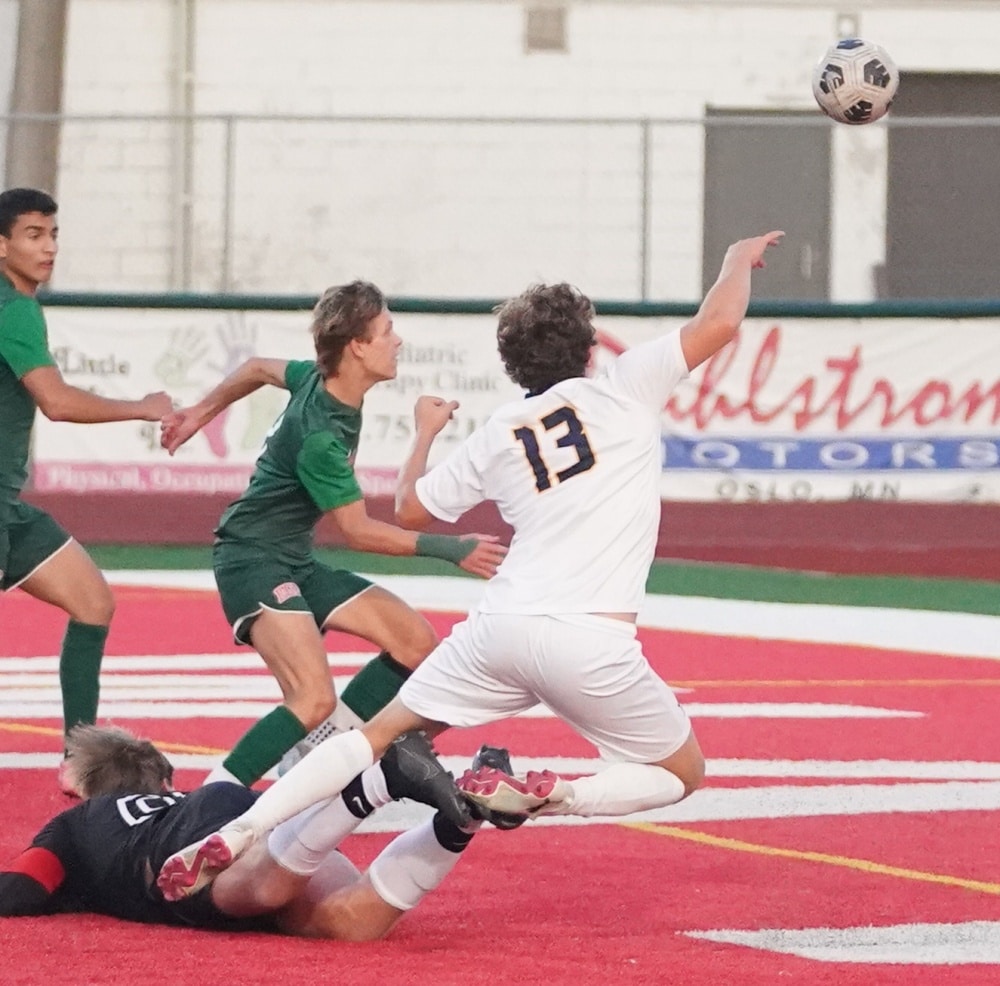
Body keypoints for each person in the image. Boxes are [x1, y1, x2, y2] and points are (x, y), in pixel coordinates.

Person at [156, 230, 784, 883]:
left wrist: (425, 434)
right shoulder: (627, 384)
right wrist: (737, 258)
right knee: (683, 773)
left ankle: (245, 826)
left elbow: (410, 511)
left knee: (370, 737)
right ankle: (557, 794)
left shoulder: (501, 431)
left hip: (499, 630)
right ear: (590, 347)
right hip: (590, 639)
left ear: (513, 364)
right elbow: (721, 320)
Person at [159, 279, 507, 788]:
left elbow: (256, 367)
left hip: (292, 559)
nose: (398, 340)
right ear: (358, 347)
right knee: (311, 698)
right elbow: (358, 531)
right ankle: (206, 802)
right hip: (251, 560)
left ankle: (315, 756)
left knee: (416, 644)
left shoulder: (315, 380)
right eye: (387, 330)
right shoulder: (320, 436)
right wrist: (451, 548)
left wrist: (199, 412)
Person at [0, 723, 489, 939]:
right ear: (162, 778)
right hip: (232, 806)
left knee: (256, 886)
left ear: (86, 789)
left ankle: (378, 783)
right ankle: (460, 817)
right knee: (350, 925)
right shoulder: (176, 795)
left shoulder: (76, 823)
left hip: (174, 850)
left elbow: (21, 889)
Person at [0, 187, 173, 793]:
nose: (47, 247)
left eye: (52, 234)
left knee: (93, 603)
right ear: (1, 245)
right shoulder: (13, 309)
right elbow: (57, 402)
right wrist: (142, 407)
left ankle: (78, 760)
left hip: (10, 511)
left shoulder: (17, 304)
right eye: (32, 235)